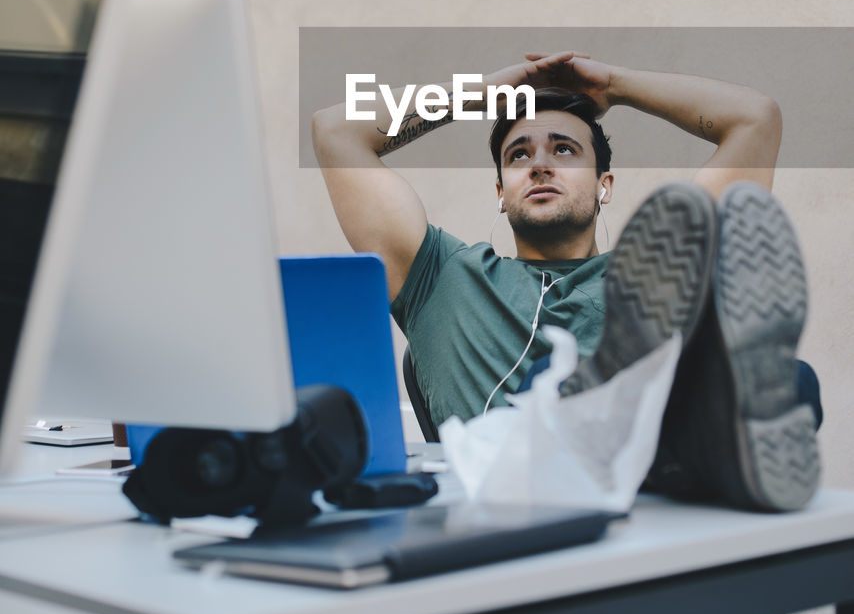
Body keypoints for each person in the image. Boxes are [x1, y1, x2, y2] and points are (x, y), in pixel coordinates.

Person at [312, 51, 821, 511]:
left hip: (653, 525)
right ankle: (629, 417)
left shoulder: (658, 273)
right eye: (519, 155)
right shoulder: (439, 277)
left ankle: (668, 428)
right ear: (500, 191)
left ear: (605, 187)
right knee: (549, 388)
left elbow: (755, 119)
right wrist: (491, 90)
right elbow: (336, 130)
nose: (538, 165)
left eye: (563, 150)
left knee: (792, 381)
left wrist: (618, 85)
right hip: (515, 523)